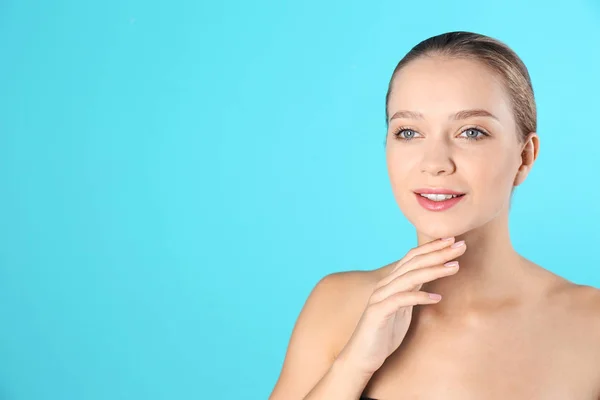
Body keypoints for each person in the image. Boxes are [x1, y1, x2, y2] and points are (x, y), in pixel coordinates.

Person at [268, 31, 600, 400]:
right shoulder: (337, 305)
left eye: (471, 132)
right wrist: (355, 363)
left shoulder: (592, 325)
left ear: (524, 156)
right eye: (408, 132)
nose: (435, 163)